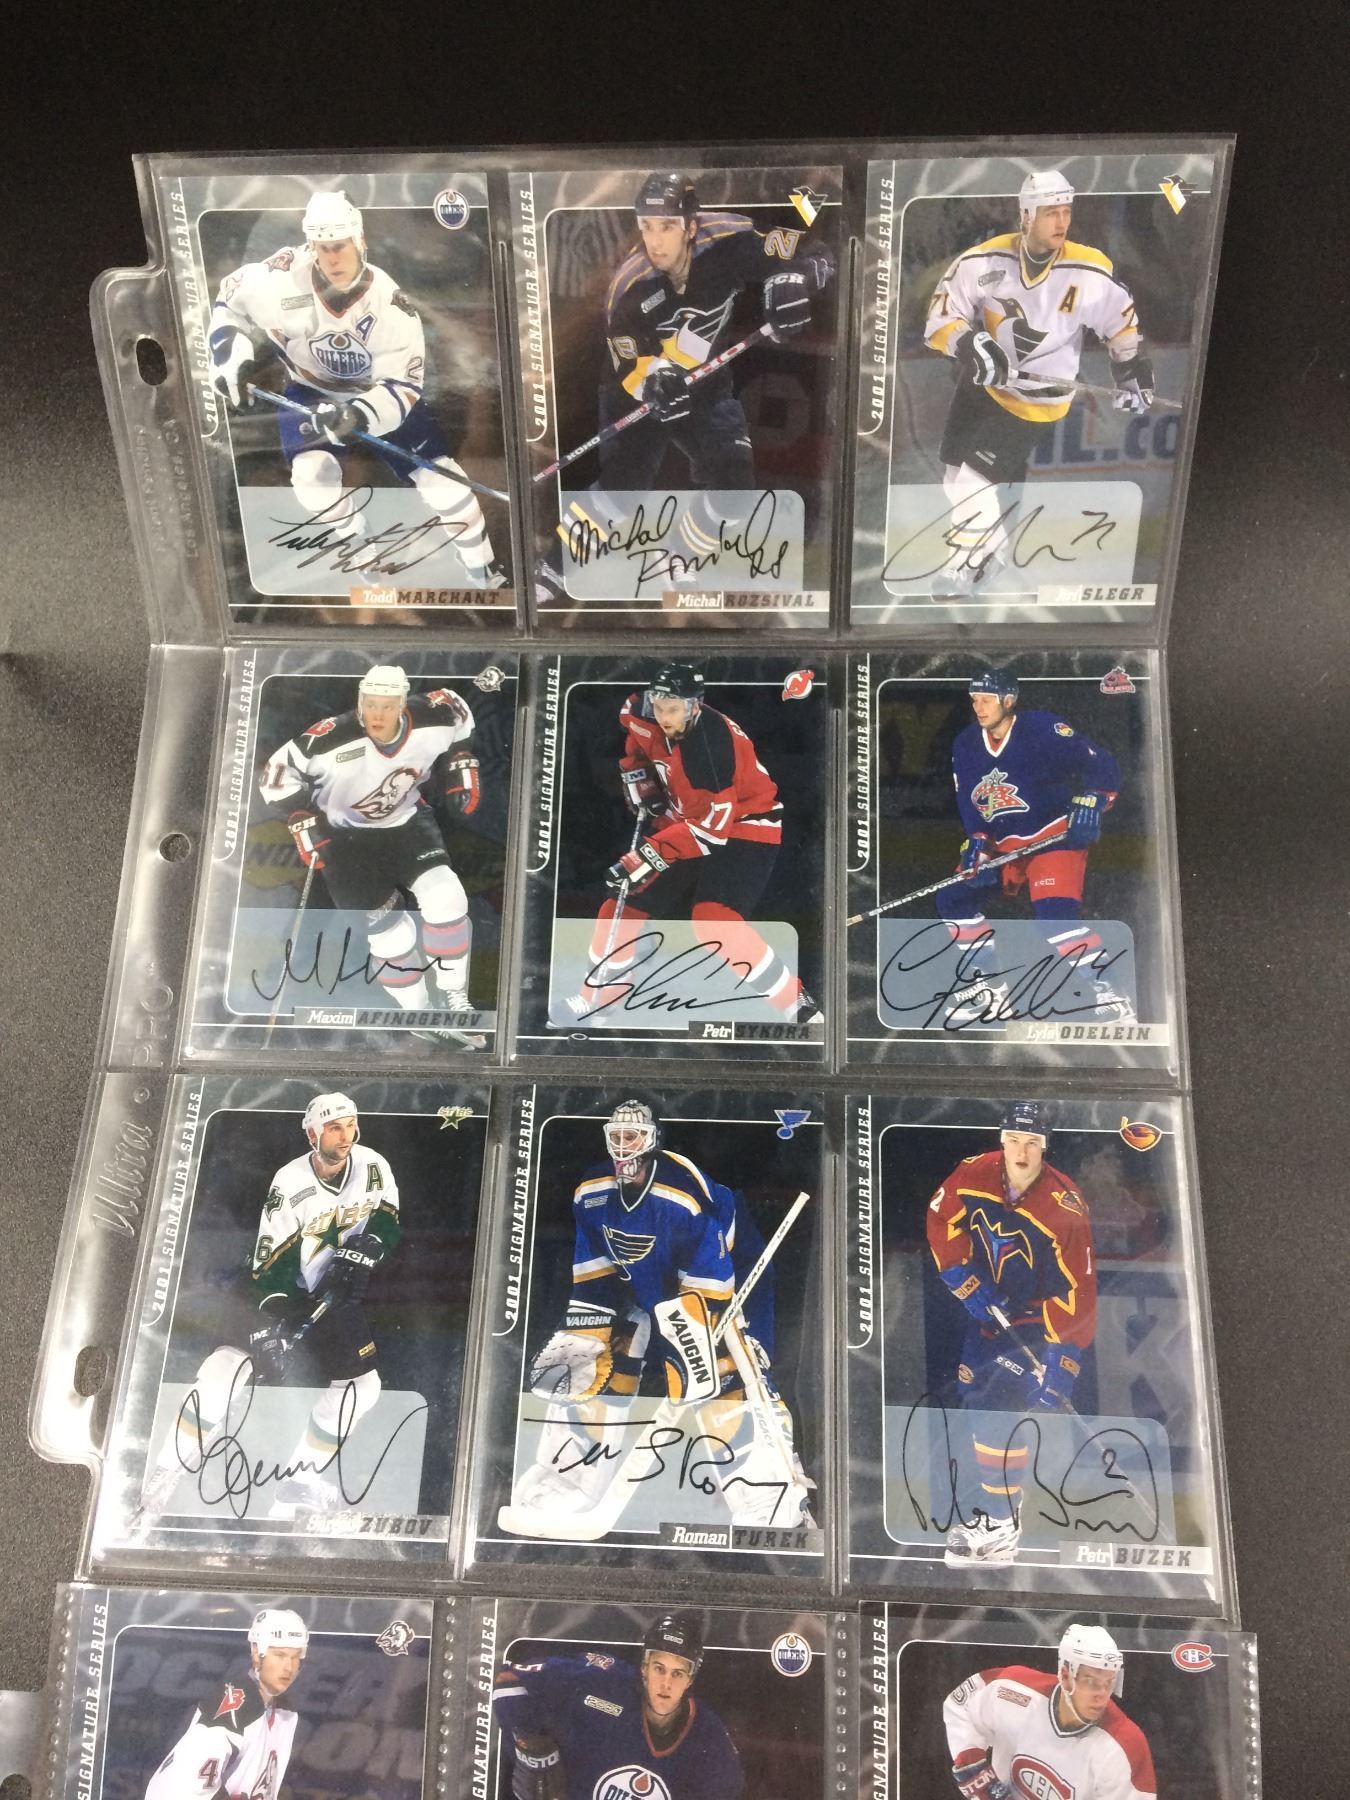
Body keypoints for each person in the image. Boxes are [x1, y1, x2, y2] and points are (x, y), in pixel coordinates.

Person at [502, 1100, 814, 1534]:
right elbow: (594, 1271)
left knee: (723, 1374)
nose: (623, 1146)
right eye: (617, 1136)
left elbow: (710, 1278)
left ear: (650, 1141)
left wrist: (688, 1346)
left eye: (632, 1137)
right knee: (590, 1359)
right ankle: (568, 1477)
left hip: (724, 1280)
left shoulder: (682, 1197)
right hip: (643, 1283)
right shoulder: (591, 1193)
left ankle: (769, 1495)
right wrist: (589, 1326)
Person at [538, 171, 834, 601]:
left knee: (734, 490)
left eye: (667, 226)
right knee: (623, 489)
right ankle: (553, 569)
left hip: (706, 380)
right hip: (635, 389)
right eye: (646, 226)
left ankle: (677, 557)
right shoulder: (631, 284)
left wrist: (800, 278)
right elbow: (627, 361)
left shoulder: (729, 240)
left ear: (691, 226)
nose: (655, 241)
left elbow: (813, 250)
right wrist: (653, 382)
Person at [209, 189, 504, 585]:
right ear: (311, 245)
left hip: (378, 397)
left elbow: (402, 385)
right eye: (324, 247)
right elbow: (230, 300)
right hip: (310, 392)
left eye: (341, 245)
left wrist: (359, 415)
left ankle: (482, 568)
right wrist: (231, 355)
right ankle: (358, 542)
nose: (334, 258)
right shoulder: (280, 277)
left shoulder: (391, 306)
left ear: (359, 241)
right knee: (311, 480)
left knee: (447, 486)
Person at [134, 1092, 401, 1523]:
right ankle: (165, 1470)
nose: (345, 1135)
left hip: (332, 1290)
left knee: (363, 1387)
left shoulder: (373, 1165)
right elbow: (269, 1265)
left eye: (351, 1124)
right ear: (312, 1135)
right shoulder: (290, 1182)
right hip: (273, 1287)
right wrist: (273, 1324)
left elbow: (387, 1218)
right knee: (226, 1368)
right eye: (334, 1127)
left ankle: (300, 1480)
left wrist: (370, 1246)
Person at [923, 170, 1155, 593]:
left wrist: (1129, 369)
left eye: (1066, 211)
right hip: (984, 382)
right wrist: (968, 341)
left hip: (1037, 397)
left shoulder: (1087, 269)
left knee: (973, 481)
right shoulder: (983, 261)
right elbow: (941, 318)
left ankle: (970, 563)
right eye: (1051, 213)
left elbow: (1119, 322)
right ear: (1026, 215)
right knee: (953, 478)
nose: (1062, 222)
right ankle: (993, 553)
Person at [555, 663, 820, 1026]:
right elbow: (636, 742)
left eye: (674, 709)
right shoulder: (638, 710)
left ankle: (796, 1004)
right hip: (685, 819)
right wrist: (639, 776)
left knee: (714, 922)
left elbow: (711, 832)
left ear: (695, 706)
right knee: (620, 907)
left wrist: (648, 856)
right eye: (659, 706)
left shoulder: (710, 749)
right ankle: (600, 997)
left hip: (743, 825)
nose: (664, 716)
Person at [259, 662, 481, 1039]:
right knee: (391, 935)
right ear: (360, 702)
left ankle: (453, 995)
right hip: (344, 843)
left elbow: (459, 712)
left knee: (447, 898)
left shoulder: (434, 715)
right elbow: (276, 774)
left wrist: (461, 757)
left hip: (406, 824)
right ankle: (419, 1013)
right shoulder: (329, 737)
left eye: (387, 706)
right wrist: (299, 815)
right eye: (371, 704)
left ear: (402, 705)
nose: (377, 714)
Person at [925, 1102, 1097, 1568]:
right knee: (978, 1402)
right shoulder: (973, 1173)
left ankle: (1001, 1524)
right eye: (1014, 1141)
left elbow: (1078, 1287)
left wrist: (1064, 1356)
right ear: (1002, 1140)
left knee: (997, 1406)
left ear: (1045, 1146)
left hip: (1037, 1320)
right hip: (988, 1310)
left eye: (1033, 1143)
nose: (1022, 1153)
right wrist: (962, 1274)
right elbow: (941, 1218)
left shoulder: (1064, 1204)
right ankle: (998, 1518)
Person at [937, 665, 1132, 1023]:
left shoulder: (1043, 728)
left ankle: (1112, 995)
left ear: (1009, 700)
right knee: (953, 898)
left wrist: (1095, 799)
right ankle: (990, 991)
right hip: (1003, 847)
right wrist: (977, 840)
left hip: (1051, 838)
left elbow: (1100, 763)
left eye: (987, 699)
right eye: (974, 699)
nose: (979, 707)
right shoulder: (965, 744)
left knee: (1054, 919)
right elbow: (968, 800)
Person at [493, 1612, 745, 1799]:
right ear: (644, 1667)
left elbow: (727, 1789)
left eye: (677, 1674)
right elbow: (509, 1679)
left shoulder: (710, 1739)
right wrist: (531, 1755)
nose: (666, 1684)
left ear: (690, 1680)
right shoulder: (603, 1680)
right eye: (659, 1669)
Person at [944, 1624, 1157, 1799]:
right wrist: (982, 1784)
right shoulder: (1014, 1690)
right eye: (1091, 1682)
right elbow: (961, 1705)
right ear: (1065, 1676)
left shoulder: (1125, 1746)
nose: (1101, 1695)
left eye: (1108, 1682)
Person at [144, 1608, 307, 1798]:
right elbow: (190, 1780)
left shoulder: (284, 1712)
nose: (289, 1667)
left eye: (296, 1657)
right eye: (280, 1655)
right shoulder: (237, 1702)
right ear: (257, 1653)